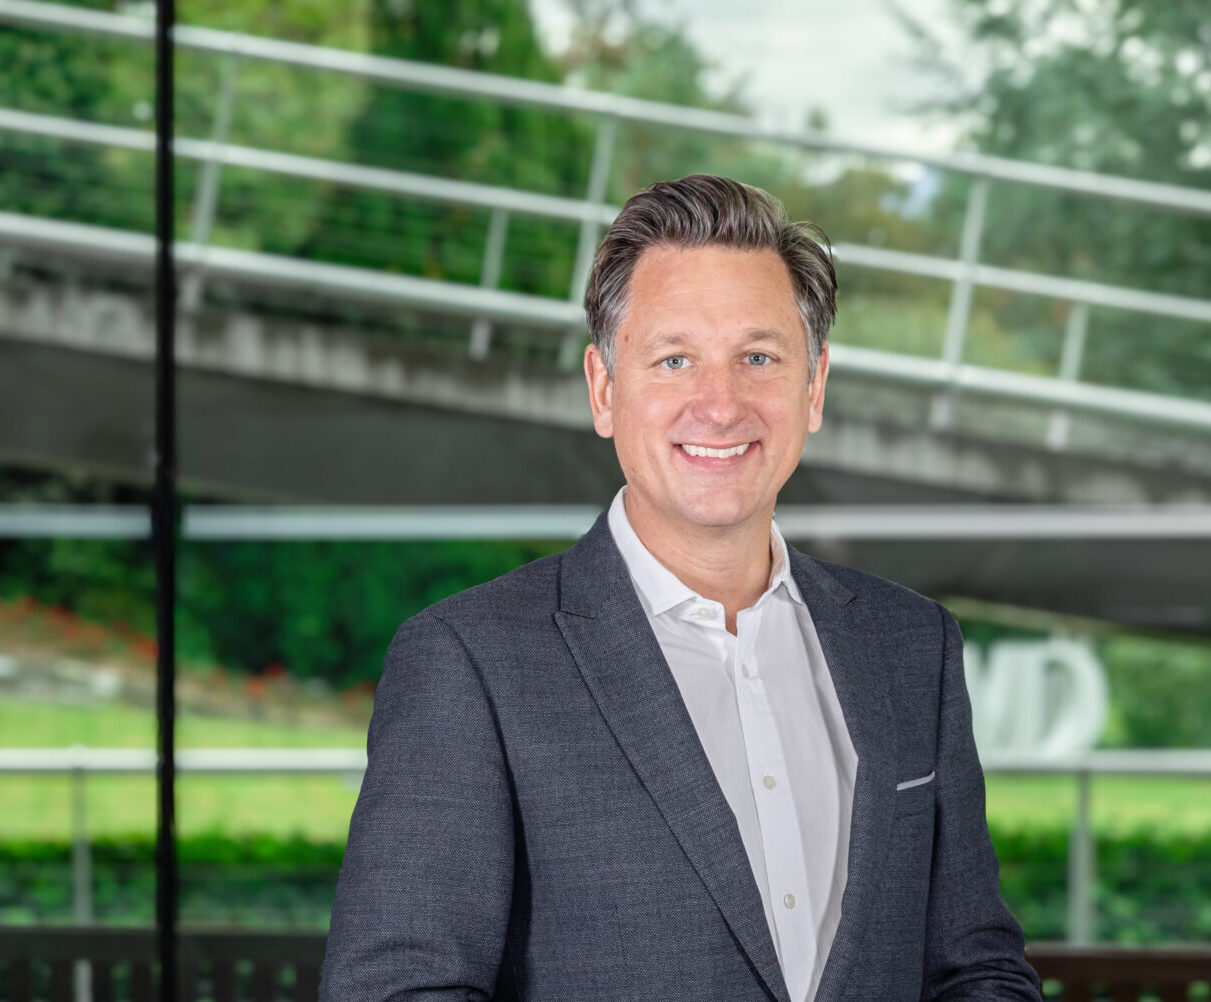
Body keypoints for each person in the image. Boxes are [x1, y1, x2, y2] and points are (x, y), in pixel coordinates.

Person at [319, 174, 1040, 1002]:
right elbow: (398, 991)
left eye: (758, 358)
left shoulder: (913, 647)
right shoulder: (470, 663)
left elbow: (975, 967)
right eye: (673, 359)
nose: (720, 404)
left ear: (814, 386)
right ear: (602, 388)